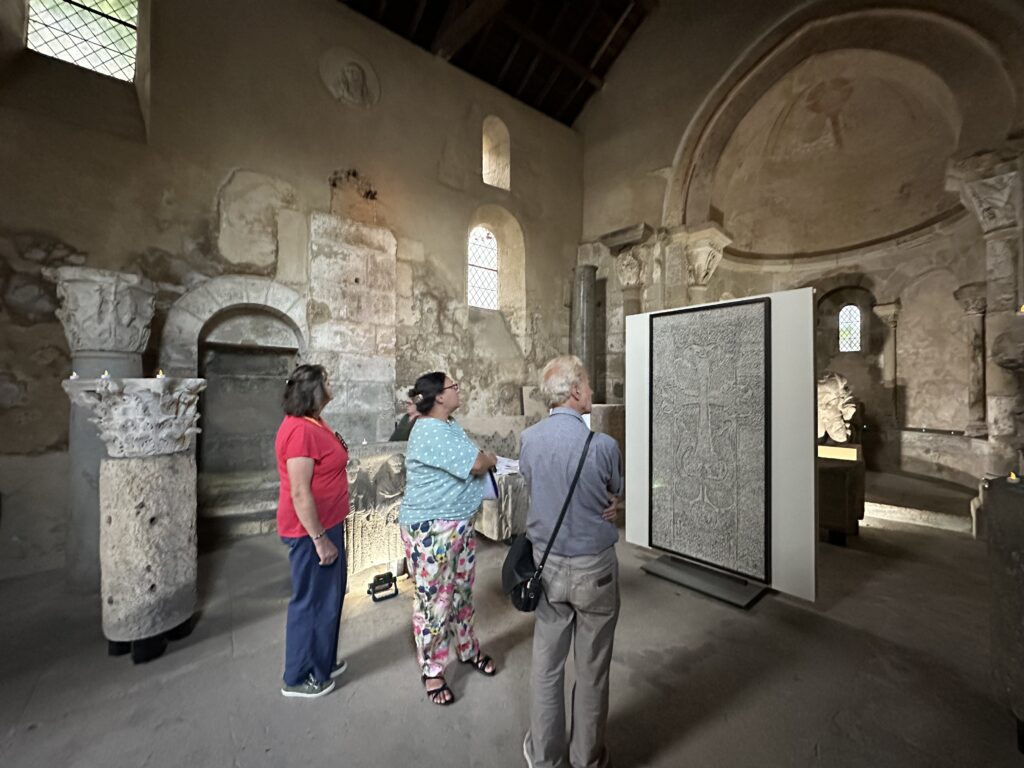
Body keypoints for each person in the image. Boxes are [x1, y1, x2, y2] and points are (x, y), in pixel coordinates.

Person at [519, 356, 623, 768]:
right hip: (594, 569)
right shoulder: (603, 446)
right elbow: (614, 489)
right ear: (576, 391)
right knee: (593, 667)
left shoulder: (529, 439)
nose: (592, 392)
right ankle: (587, 759)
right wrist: (610, 503)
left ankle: (545, 758)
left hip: (546, 566)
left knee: (546, 667)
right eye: (588, 384)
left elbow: (536, 483)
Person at [398, 371, 499, 705]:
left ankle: (467, 649)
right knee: (434, 603)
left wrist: (483, 459)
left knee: (461, 593)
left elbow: (472, 455)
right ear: (439, 396)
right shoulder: (428, 430)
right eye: (454, 386)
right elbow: (475, 462)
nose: (459, 389)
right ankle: (433, 670)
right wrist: (490, 460)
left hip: (457, 525)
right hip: (432, 530)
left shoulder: (449, 424)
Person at [274, 364, 350, 699]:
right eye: (326, 382)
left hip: (327, 525)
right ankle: (299, 675)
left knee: (329, 599)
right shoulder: (300, 431)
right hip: (310, 532)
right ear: (313, 391)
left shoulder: (313, 422)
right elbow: (300, 491)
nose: (331, 385)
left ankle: (323, 661)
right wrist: (319, 539)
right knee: (312, 602)